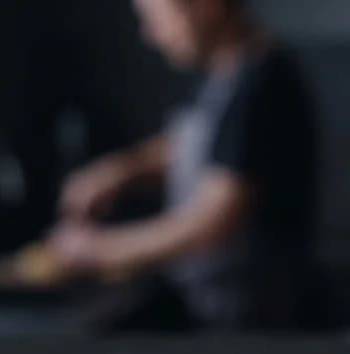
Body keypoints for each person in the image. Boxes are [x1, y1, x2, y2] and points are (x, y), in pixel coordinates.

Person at [51, 0, 317, 329]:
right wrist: (123, 169)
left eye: (158, 19)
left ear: (207, 6)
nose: (150, 35)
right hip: (206, 300)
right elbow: (196, 145)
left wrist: (100, 251)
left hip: (248, 318)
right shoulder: (221, 74)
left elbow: (214, 220)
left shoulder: (261, 84)